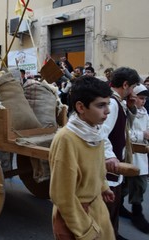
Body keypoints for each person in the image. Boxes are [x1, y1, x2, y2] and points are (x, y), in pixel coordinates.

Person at [49, 76, 116, 240]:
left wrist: (103, 186)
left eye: (108, 104)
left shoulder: (95, 131)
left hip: (97, 207)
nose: (107, 111)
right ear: (80, 107)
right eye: (101, 105)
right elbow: (62, 196)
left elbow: (98, 167)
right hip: (77, 216)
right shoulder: (67, 140)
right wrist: (85, 230)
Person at [102, 67, 140, 240]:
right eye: (133, 87)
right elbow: (101, 133)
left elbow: (125, 130)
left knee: (114, 206)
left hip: (114, 168)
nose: (133, 91)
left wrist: (131, 107)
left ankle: (113, 234)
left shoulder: (119, 103)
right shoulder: (111, 103)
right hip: (109, 170)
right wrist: (110, 156)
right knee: (108, 207)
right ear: (125, 85)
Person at [127, 84, 149, 233]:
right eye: (140, 98)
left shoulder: (145, 113)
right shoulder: (127, 110)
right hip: (129, 152)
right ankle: (121, 208)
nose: (143, 102)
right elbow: (126, 132)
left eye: (145, 99)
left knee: (140, 184)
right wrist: (143, 135)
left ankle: (137, 211)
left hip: (141, 153)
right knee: (124, 186)